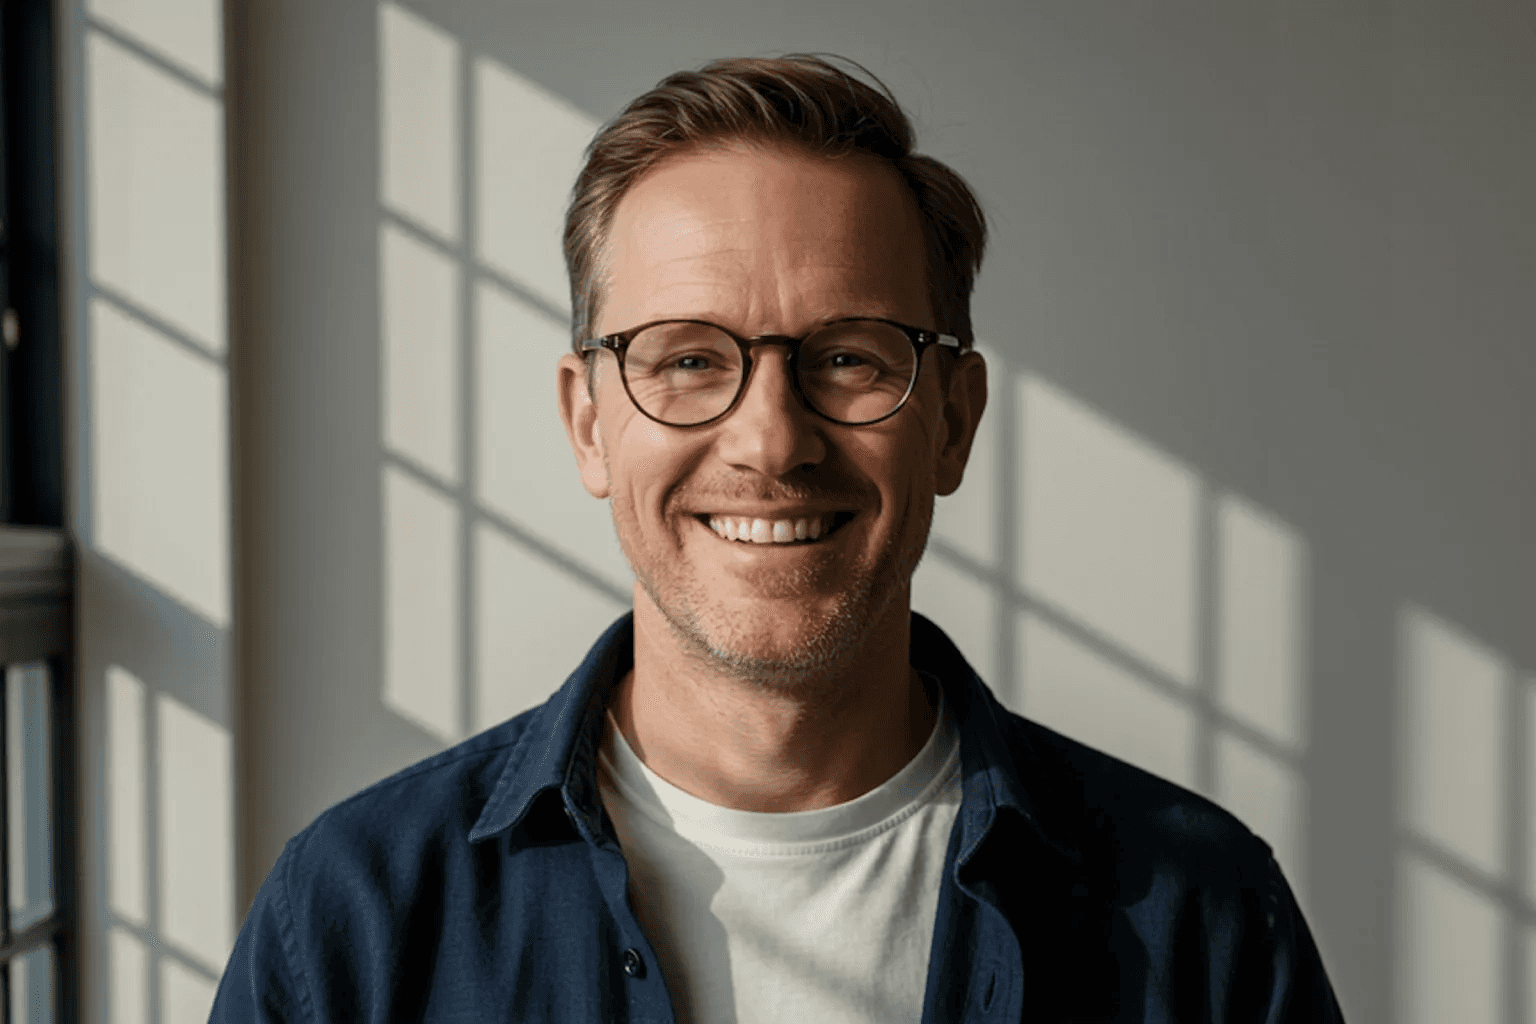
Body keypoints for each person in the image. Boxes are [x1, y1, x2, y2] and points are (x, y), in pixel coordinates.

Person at [211, 55, 1343, 1023]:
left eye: (850, 355)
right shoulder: (356, 919)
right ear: (588, 420)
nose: (771, 440)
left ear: (952, 420)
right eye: (689, 358)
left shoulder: (1199, 911)